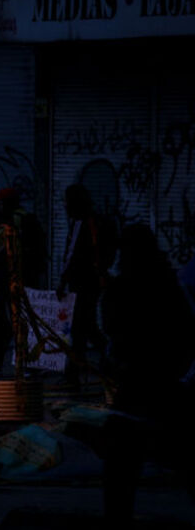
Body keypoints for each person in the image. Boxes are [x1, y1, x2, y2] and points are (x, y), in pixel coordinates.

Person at [99, 224, 195, 527]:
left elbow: (113, 337)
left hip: (135, 397)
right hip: (164, 393)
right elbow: (185, 339)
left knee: (119, 474)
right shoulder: (169, 286)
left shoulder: (122, 289)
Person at [56, 183, 115, 390]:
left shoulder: (82, 223)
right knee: (85, 327)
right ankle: (80, 371)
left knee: (81, 328)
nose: (63, 205)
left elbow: (71, 255)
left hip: (82, 283)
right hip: (91, 282)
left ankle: (75, 374)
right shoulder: (95, 220)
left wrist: (62, 281)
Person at [0, 187, 47, 373]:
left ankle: (22, 363)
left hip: (13, 282)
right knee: (15, 322)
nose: (0, 207)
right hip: (26, 281)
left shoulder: (9, 225)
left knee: (11, 323)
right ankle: (6, 361)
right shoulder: (29, 220)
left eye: (2, 203)